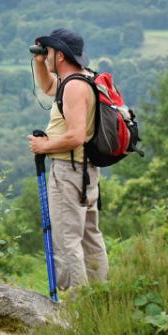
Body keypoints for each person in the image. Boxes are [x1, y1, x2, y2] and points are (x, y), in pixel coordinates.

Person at [27, 28, 108, 291]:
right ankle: (100, 296)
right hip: (85, 170)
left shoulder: (73, 87)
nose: (46, 55)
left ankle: (77, 307)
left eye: (48, 52)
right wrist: (39, 62)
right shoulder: (81, 78)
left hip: (69, 170)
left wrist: (44, 146)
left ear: (60, 55)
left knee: (66, 240)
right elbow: (49, 87)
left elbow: (75, 136)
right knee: (89, 238)